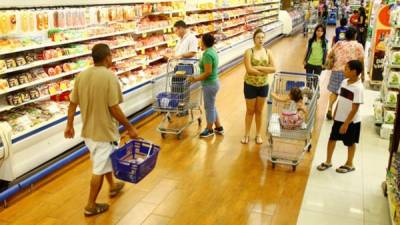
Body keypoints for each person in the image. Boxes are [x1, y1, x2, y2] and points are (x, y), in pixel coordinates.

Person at [64, 44, 139, 216]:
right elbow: (114, 108)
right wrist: (130, 127)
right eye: (111, 56)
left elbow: (72, 103)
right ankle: (90, 205)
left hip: (88, 132)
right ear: (107, 57)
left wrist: (69, 125)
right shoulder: (109, 77)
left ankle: (112, 186)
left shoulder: (82, 76)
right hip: (103, 132)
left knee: (104, 159)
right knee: (99, 167)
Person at [317, 60, 364, 173]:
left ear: (354, 72)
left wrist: (346, 123)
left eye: (347, 68)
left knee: (350, 142)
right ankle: (328, 161)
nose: (344, 70)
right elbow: (340, 98)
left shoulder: (358, 88)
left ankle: (349, 164)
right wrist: (335, 111)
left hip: (351, 121)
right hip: (339, 117)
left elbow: (355, 108)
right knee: (332, 138)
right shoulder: (344, 82)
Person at [242, 29, 276, 144]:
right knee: (250, 111)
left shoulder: (268, 52)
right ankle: (246, 134)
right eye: (258, 37)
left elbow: (274, 68)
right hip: (250, 85)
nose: (260, 39)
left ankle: (258, 134)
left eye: (262, 37)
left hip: (263, 85)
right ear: (254, 39)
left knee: (259, 111)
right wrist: (265, 71)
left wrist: (258, 68)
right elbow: (249, 70)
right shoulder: (248, 52)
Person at [187, 34, 223, 138]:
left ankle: (209, 129)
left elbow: (207, 72)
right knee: (212, 105)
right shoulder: (212, 50)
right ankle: (219, 127)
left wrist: (194, 79)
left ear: (204, 42)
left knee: (209, 107)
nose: (199, 42)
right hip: (213, 83)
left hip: (209, 84)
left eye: (200, 40)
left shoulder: (207, 54)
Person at [326, 27, 364, 120]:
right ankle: (341, 114)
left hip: (337, 70)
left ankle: (330, 107)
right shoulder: (358, 46)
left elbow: (330, 54)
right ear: (355, 35)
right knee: (347, 94)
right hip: (351, 73)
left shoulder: (339, 43)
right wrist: (363, 74)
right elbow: (361, 61)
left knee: (334, 91)